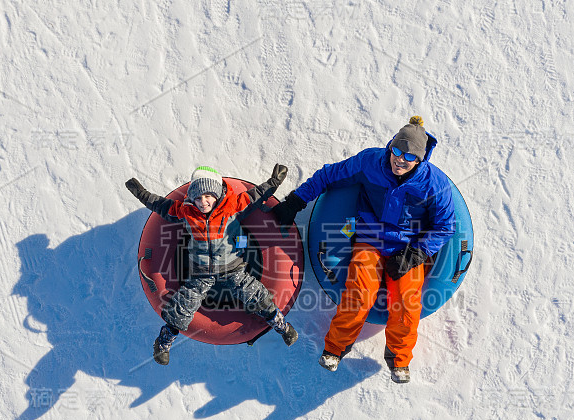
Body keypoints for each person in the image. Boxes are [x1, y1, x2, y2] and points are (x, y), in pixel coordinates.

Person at [272, 116, 455, 383]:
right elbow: (329, 175)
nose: (399, 160)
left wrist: (416, 252)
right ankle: (335, 348)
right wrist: (296, 201)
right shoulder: (371, 162)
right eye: (396, 150)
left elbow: (445, 225)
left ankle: (399, 359)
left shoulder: (434, 183)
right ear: (390, 145)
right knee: (360, 293)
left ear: (420, 160)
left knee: (406, 301)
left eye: (408, 156)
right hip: (370, 239)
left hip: (408, 247)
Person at [125, 164, 298, 365]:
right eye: (198, 198)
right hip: (201, 272)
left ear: (217, 194)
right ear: (192, 198)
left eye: (208, 196)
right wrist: (140, 193)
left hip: (233, 268)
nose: (203, 202)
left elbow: (256, 195)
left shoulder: (232, 206)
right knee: (184, 304)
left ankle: (281, 326)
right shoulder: (185, 212)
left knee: (255, 293)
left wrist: (275, 181)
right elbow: (160, 206)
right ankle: (163, 342)